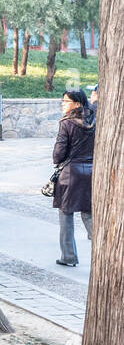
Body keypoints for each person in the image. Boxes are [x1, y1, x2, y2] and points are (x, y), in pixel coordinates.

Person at [52, 88, 94, 267]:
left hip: (70, 174)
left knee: (66, 214)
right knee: (89, 214)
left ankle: (68, 256)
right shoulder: (95, 119)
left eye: (66, 101)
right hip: (92, 171)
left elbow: (58, 154)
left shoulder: (67, 123)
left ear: (77, 104)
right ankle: (105, 253)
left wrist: (56, 157)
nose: (63, 104)